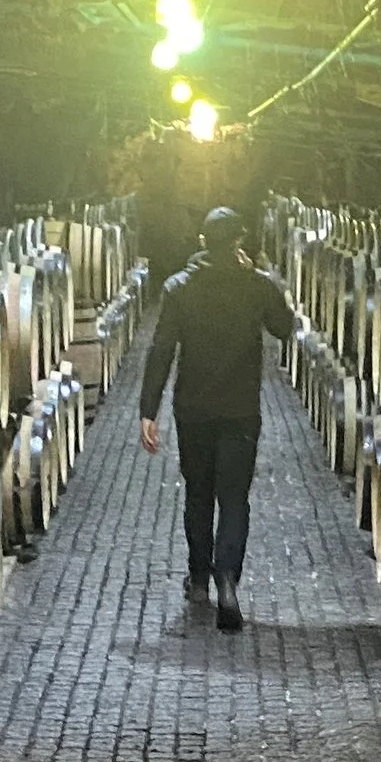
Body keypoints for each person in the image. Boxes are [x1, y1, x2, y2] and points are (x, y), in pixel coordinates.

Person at [139, 205, 293, 630]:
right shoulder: (256, 287)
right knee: (234, 499)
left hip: (193, 409)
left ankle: (199, 577)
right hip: (241, 410)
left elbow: (161, 350)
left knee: (198, 494)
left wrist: (147, 411)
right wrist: (261, 274)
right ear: (239, 241)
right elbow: (286, 326)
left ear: (203, 242)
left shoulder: (179, 287)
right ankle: (228, 578)